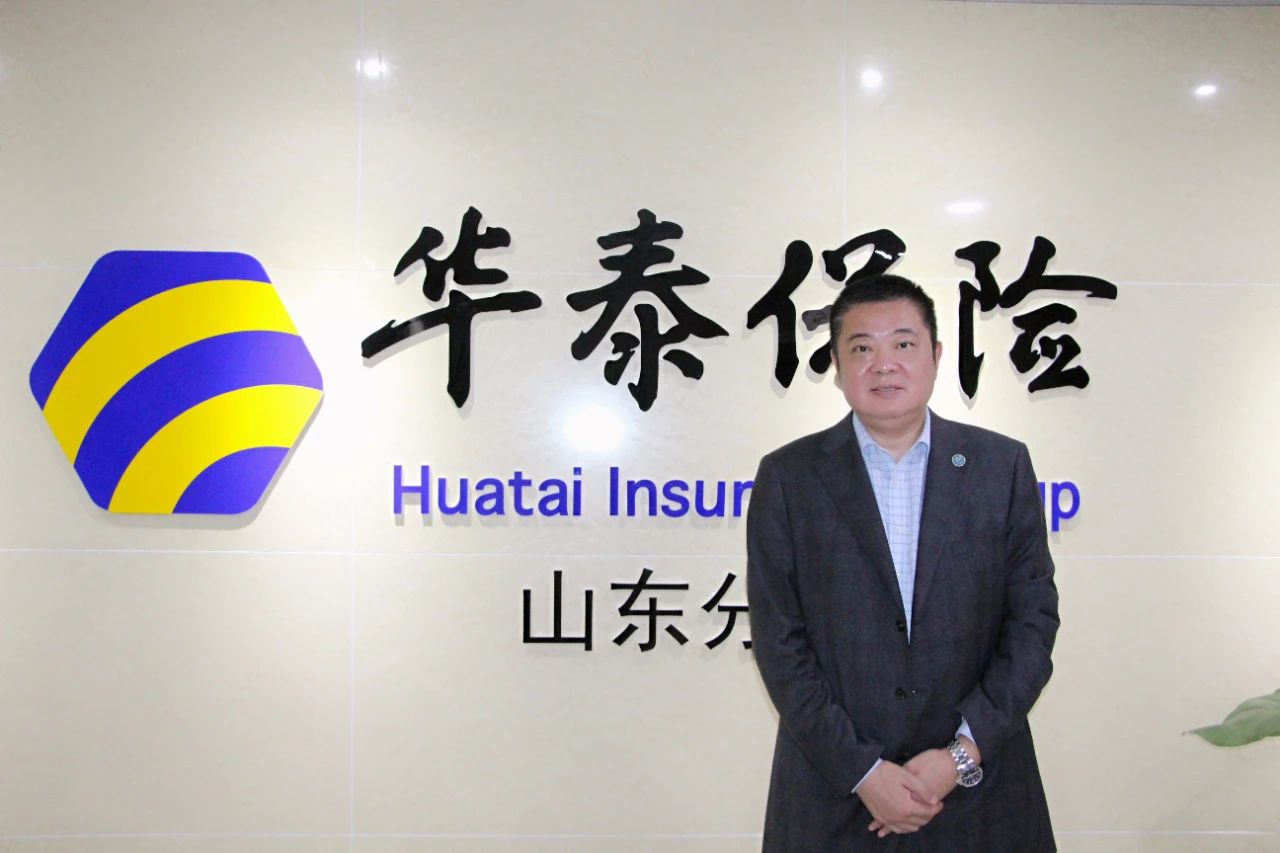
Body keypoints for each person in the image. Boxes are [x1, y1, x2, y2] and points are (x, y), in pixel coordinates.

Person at [746, 274, 1059, 851]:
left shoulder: (1001, 467)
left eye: (903, 344)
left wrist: (960, 755)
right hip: (833, 794)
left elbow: (1032, 622)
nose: (883, 364)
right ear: (837, 366)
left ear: (936, 356)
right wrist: (865, 772)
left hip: (980, 792)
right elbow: (779, 641)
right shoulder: (789, 477)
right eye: (862, 347)